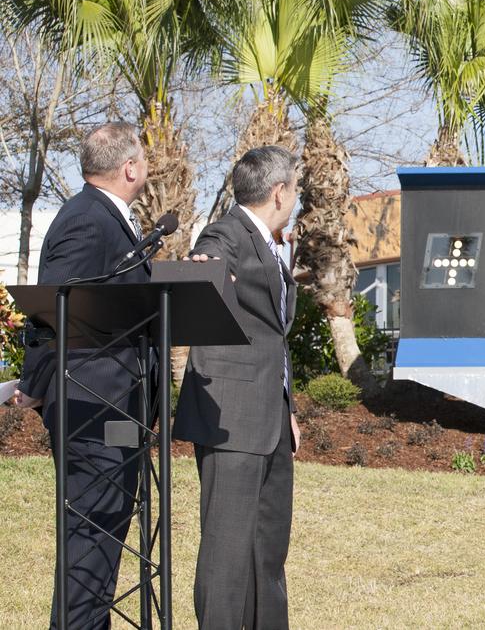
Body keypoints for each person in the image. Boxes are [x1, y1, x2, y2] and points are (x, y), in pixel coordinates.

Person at [10, 121, 152, 629]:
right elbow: (51, 309)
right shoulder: (87, 220)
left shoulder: (114, 219)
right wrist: (35, 384)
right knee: (89, 540)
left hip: (117, 401)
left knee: (104, 539)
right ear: (129, 167)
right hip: (92, 405)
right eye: (144, 158)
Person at [174, 145, 300, 630]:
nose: (298, 197)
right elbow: (208, 259)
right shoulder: (228, 231)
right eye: (296, 187)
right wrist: (206, 266)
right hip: (230, 418)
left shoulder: (271, 242)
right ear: (278, 191)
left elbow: (270, 334)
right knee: (227, 553)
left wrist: (286, 406)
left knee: (267, 551)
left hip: (269, 418)